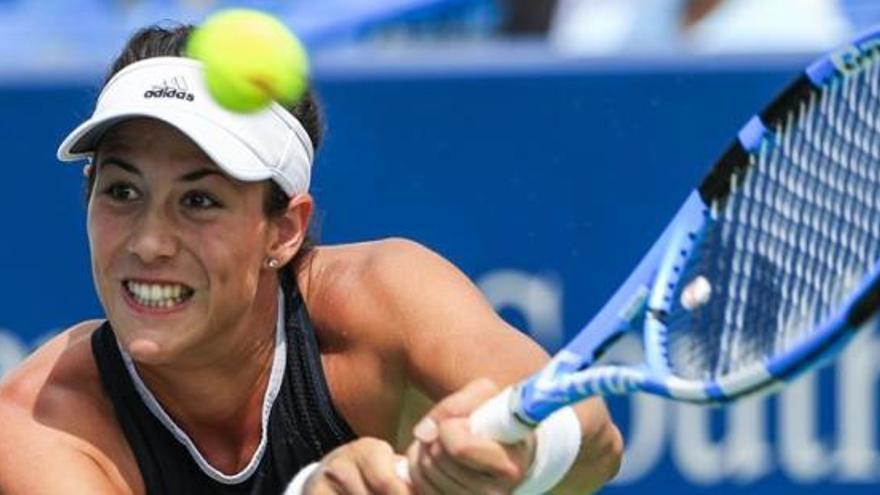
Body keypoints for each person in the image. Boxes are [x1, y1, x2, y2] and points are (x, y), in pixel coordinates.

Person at [0, 22, 622, 495]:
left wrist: (520, 461)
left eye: (199, 199)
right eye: (123, 192)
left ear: (284, 231)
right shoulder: (39, 423)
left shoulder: (387, 297)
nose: (148, 242)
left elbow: (593, 434)